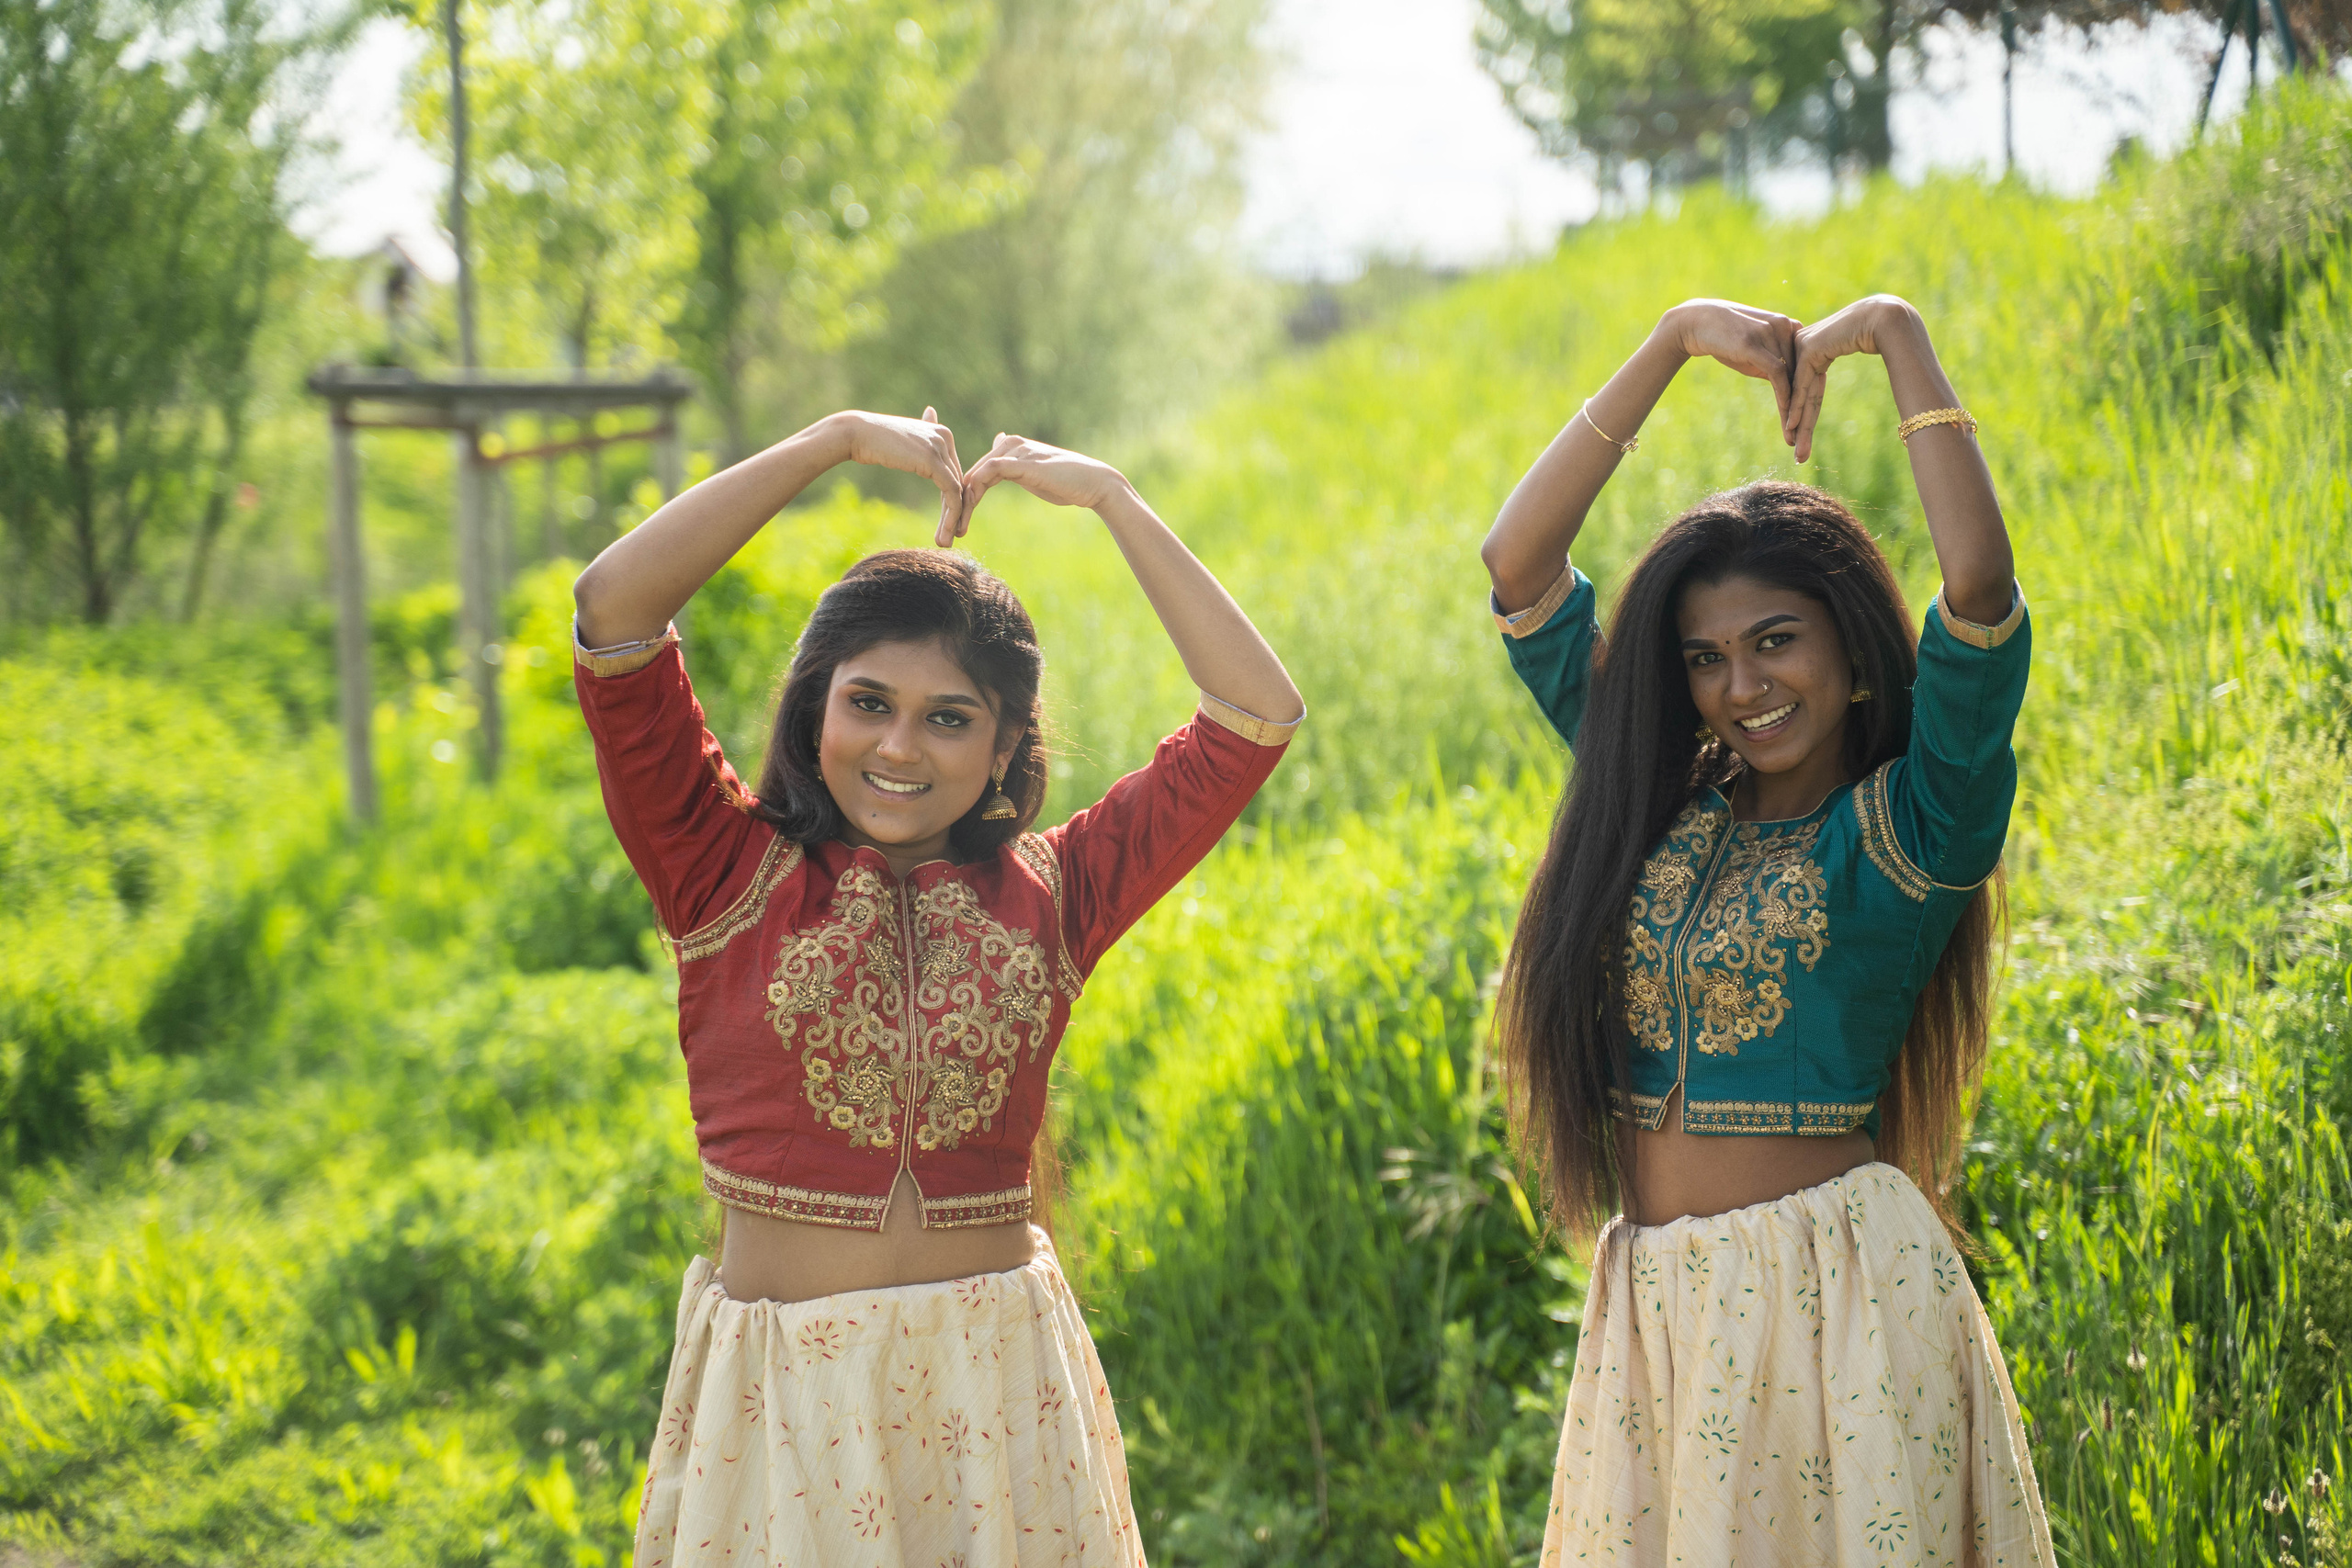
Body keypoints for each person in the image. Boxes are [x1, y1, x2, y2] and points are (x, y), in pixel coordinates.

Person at [571, 408, 1303, 1566]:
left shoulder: (1057, 891)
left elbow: (1256, 713)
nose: (900, 748)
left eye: (948, 719)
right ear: (818, 707)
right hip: (791, 1402)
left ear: (1007, 747)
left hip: (996, 1392)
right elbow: (614, 611)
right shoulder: (720, 871)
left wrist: (1113, 497)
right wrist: (830, 443)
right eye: (869, 703)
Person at [1482, 296, 2054, 1563]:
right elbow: (1519, 568)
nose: (1742, 686)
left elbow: (1980, 587)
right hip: (1659, 1304)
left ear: (1853, 654)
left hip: (1836, 1299)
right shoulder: (1657, 798)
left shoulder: (1913, 827)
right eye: (1706, 656)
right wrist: (1674, 340)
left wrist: (1901, 336)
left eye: (1776, 642)